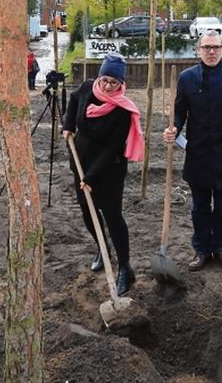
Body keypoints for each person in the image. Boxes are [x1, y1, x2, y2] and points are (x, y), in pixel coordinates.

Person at [163, 31, 222, 271]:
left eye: (216, 47)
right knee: (200, 207)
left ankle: (221, 247)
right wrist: (174, 128)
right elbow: (180, 111)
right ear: (198, 50)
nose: (211, 51)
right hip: (198, 153)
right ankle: (202, 249)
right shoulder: (187, 78)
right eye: (206, 47)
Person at [62, 53, 143, 295]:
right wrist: (68, 126)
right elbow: (74, 102)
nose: (108, 86)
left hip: (109, 170)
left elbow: (111, 149)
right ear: (99, 77)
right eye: (105, 80)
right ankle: (102, 249)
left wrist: (92, 177)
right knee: (88, 211)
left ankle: (124, 269)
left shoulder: (122, 110)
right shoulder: (87, 88)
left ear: (122, 84)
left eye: (114, 83)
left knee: (112, 216)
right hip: (81, 162)